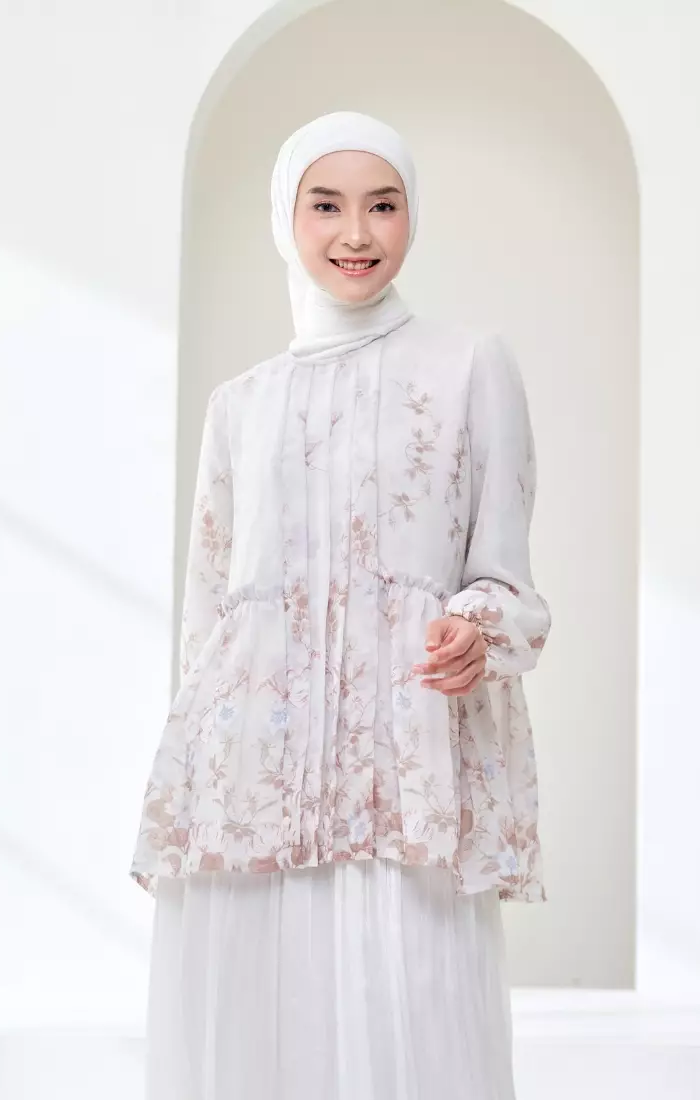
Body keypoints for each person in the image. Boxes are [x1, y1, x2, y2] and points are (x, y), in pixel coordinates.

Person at [130, 110, 552, 1100]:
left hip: (404, 766)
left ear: (412, 217)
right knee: (254, 1044)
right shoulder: (240, 404)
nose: (356, 233)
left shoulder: (469, 365)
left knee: (408, 1025)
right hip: (253, 781)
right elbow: (208, 616)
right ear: (286, 217)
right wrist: (193, 781)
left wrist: (476, 629)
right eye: (326, 205)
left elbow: (508, 580)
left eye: (383, 205)